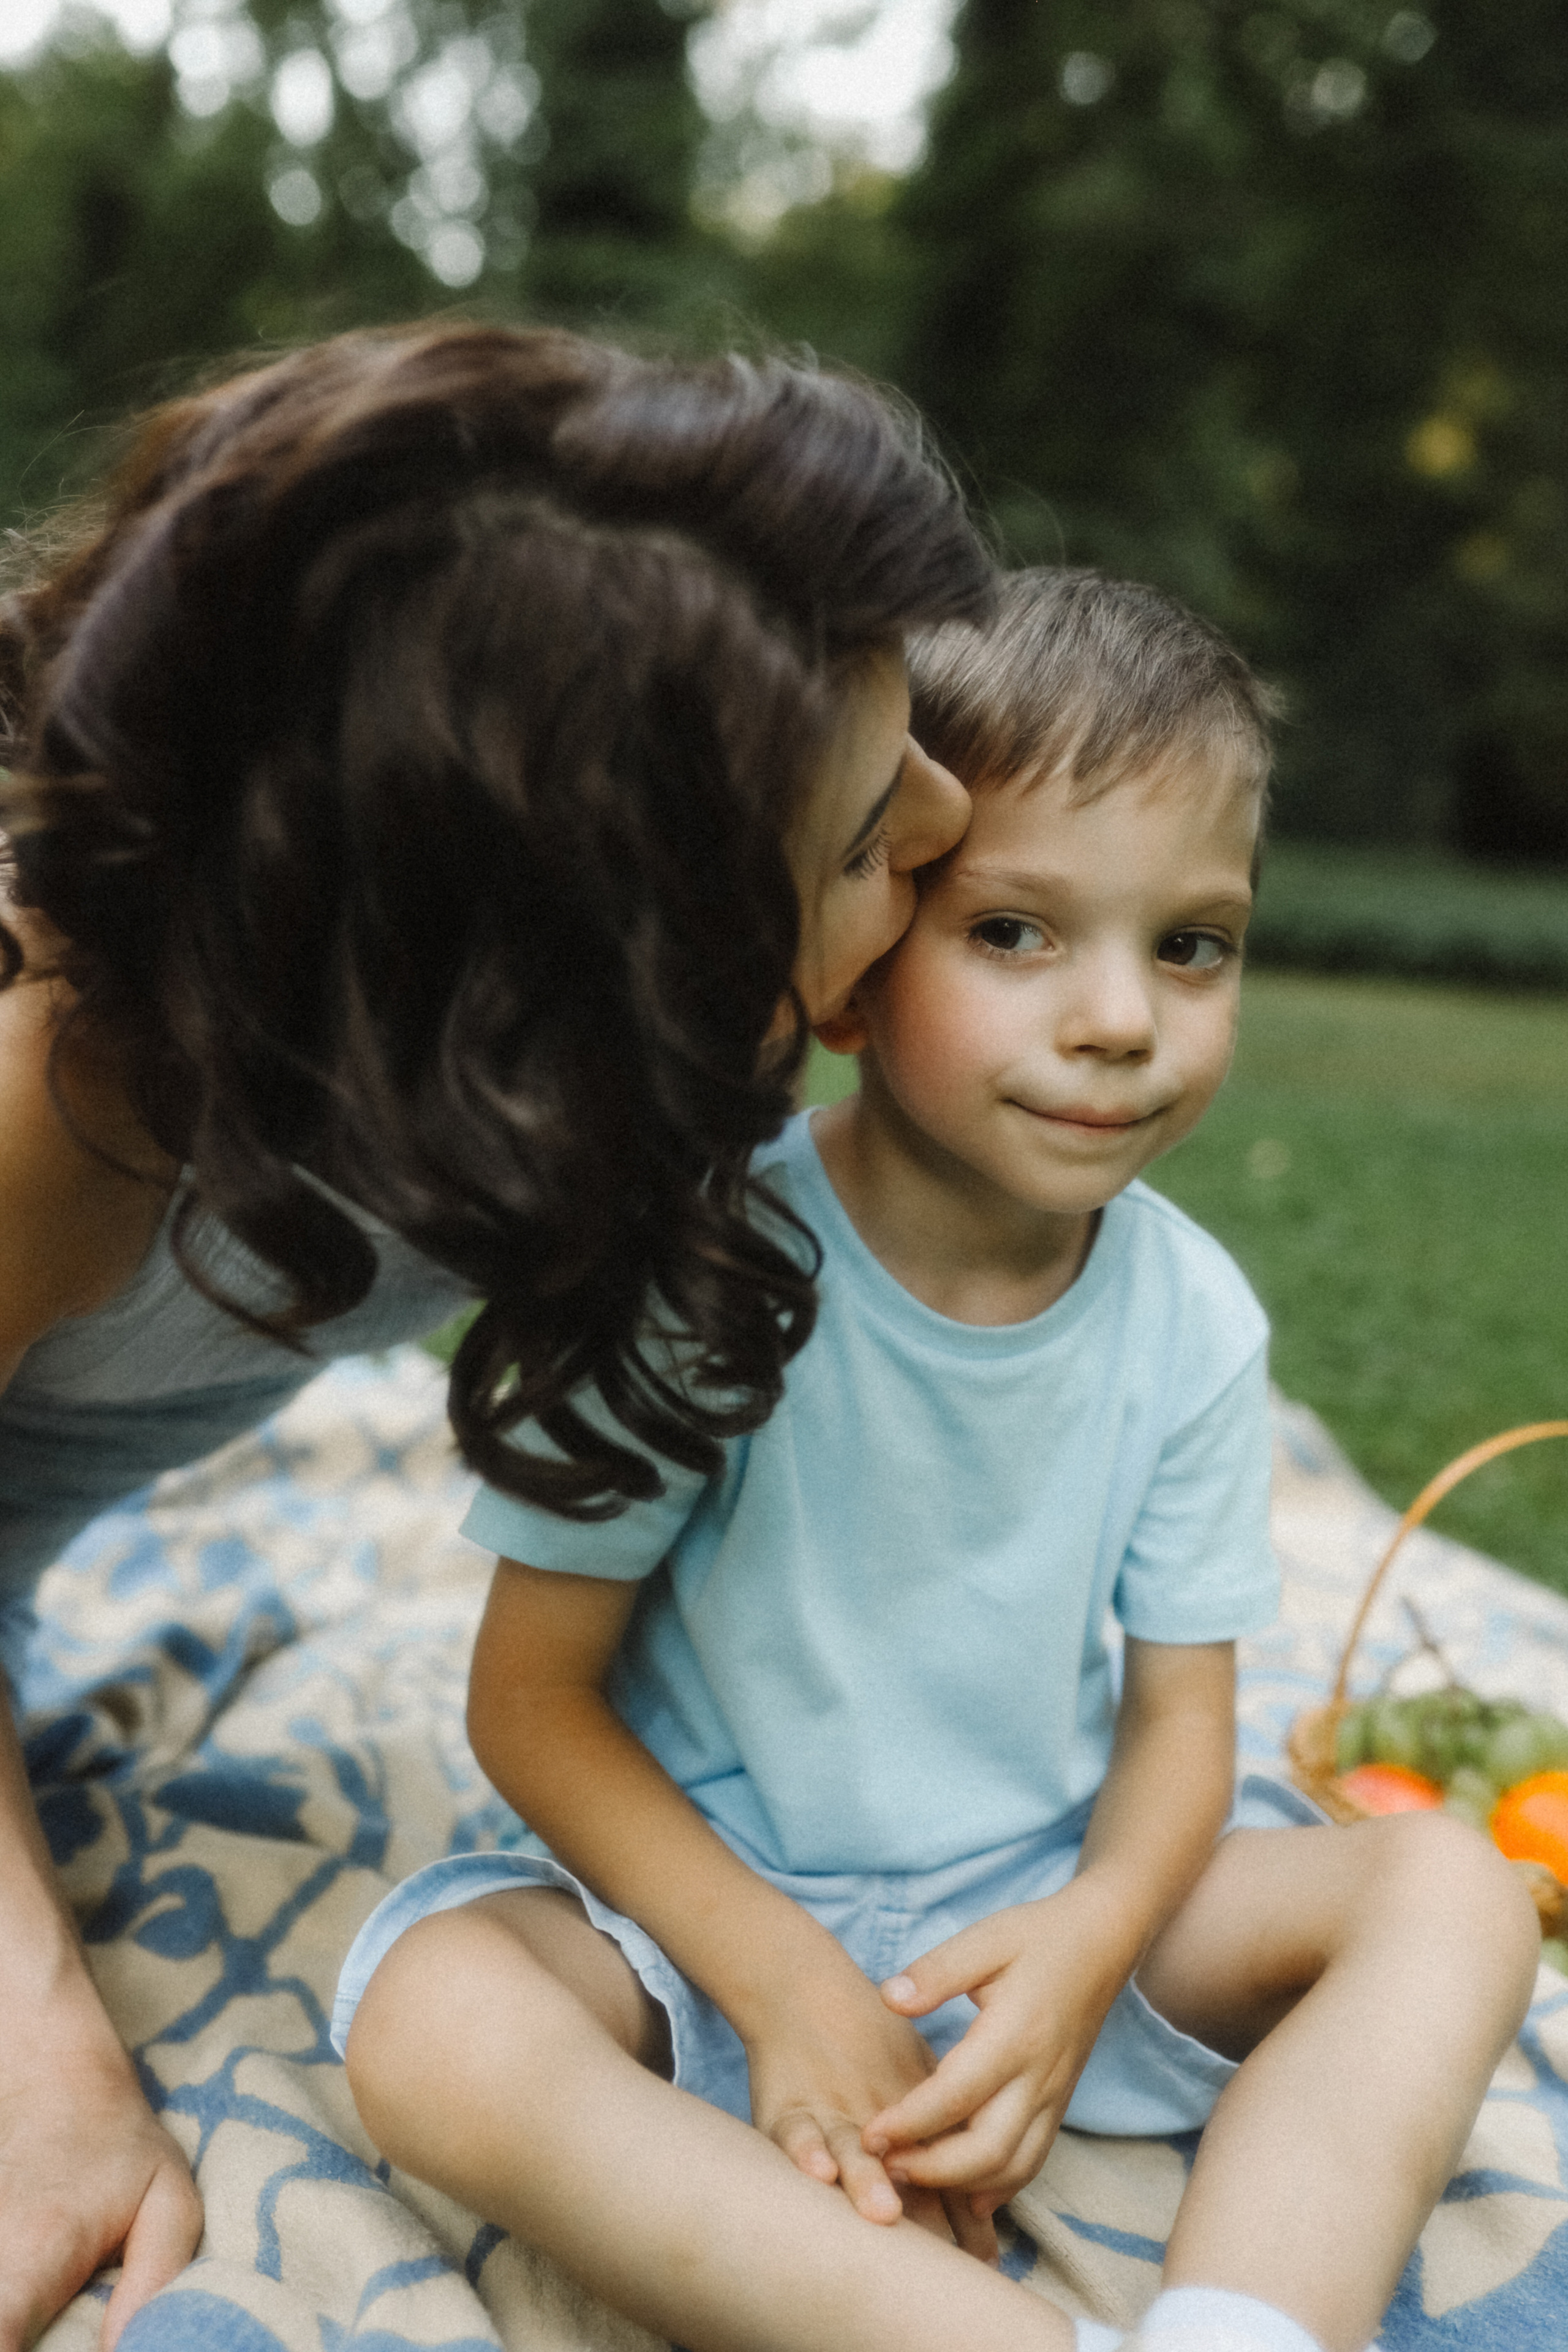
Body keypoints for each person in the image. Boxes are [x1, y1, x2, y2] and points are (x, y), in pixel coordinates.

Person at [336, 569, 1539, 2352]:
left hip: (1046, 1906)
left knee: (1450, 1885)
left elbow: (1184, 1727)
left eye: (1191, 943)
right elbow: (532, 1706)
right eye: (1017, 934)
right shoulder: (705, 1270)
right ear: (855, 957)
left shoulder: (1190, 1321)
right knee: (432, 2015)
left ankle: (1248, 2324)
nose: (1121, 1018)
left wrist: (1087, 1940)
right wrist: (783, 1976)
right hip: (706, 1914)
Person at [0, 319, 994, 2349]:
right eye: (863, 834)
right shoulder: (60, 1091)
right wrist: (39, 2051)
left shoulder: (458, 1003)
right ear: (556, 1013)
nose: (957, 814)